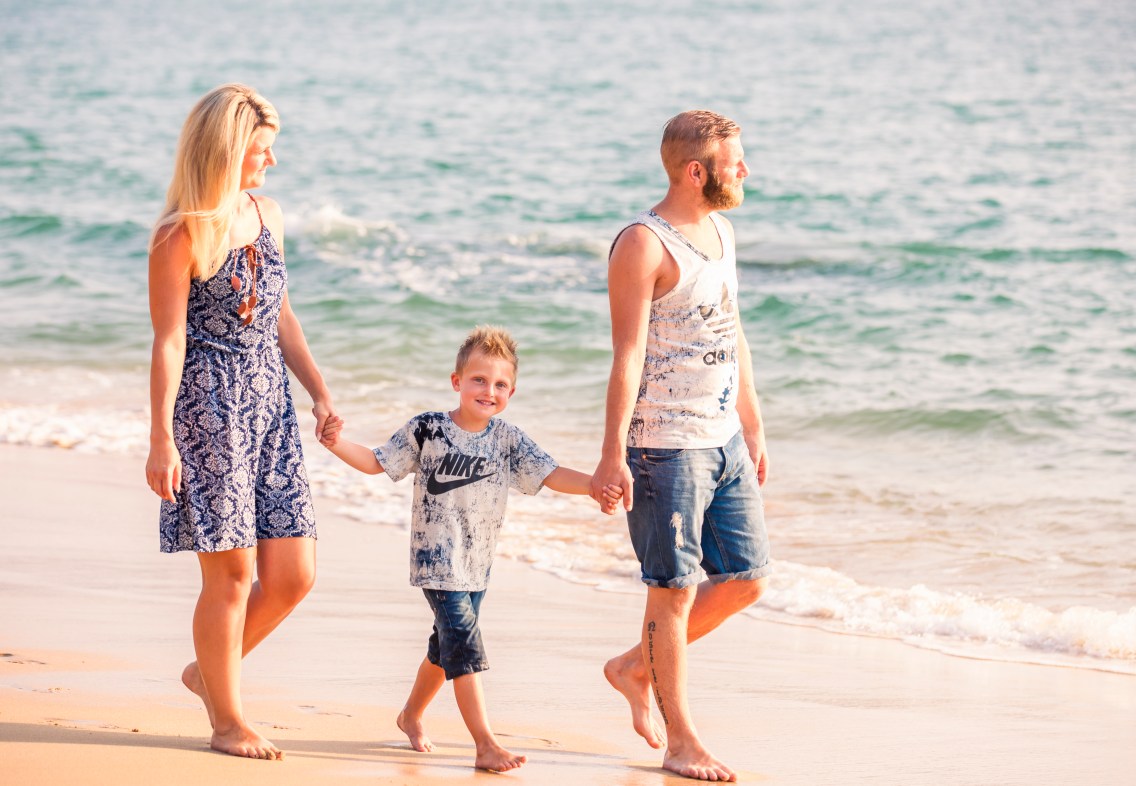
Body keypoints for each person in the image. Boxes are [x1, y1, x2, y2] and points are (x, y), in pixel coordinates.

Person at [318, 325, 621, 773]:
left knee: (444, 649)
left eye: (500, 384)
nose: (489, 390)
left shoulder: (508, 440)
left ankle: (410, 715)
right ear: (457, 381)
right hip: (436, 561)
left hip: (476, 564)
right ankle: (485, 743)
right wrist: (335, 442)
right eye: (479, 380)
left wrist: (595, 486)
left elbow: (551, 473)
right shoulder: (428, 429)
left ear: (511, 392)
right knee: (465, 646)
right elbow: (377, 462)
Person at [145, 84, 337, 760]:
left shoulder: (269, 213)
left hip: (272, 407)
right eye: (262, 150)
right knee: (228, 576)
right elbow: (169, 340)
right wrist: (161, 437)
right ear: (227, 152)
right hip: (210, 410)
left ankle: (208, 675)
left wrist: (317, 389)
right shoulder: (179, 235)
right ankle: (227, 721)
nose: (272, 162)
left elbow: (280, 311)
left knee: (293, 574)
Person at [589, 110, 772, 782]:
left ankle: (635, 667)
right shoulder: (643, 245)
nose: (746, 170)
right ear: (697, 172)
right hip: (666, 447)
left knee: (747, 579)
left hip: (722, 440)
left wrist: (752, 425)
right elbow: (627, 355)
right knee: (673, 593)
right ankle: (682, 741)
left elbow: (734, 331)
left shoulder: (722, 231)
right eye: (735, 161)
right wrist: (612, 453)